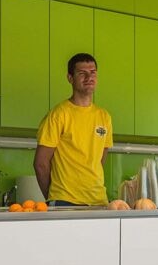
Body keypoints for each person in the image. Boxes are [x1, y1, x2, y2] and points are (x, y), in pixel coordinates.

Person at [34, 53, 113, 206]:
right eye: (82, 73)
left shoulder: (104, 117)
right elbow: (40, 164)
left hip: (98, 201)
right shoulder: (58, 115)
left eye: (93, 72)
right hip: (65, 201)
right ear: (70, 78)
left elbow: (99, 160)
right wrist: (53, 197)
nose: (89, 77)